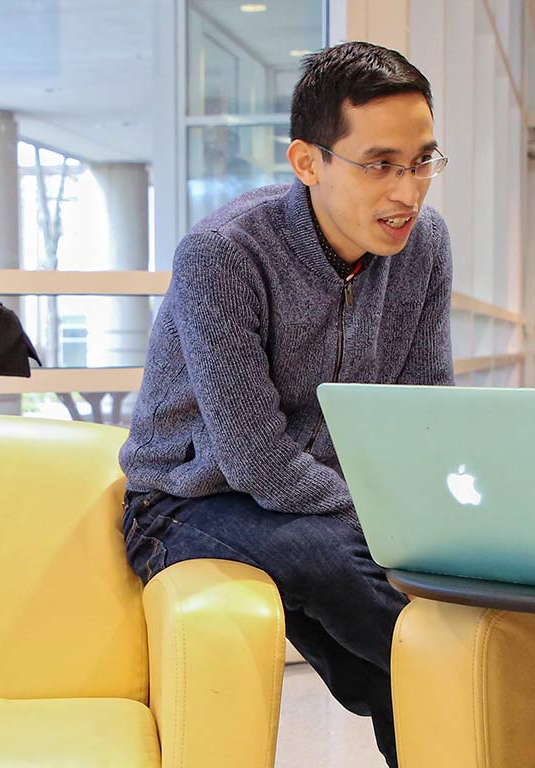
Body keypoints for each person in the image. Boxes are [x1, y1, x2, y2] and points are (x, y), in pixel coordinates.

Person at [116, 41, 453, 766]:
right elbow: (256, 458)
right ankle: (487, 679)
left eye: (422, 160)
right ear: (308, 162)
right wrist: (385, 526)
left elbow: (427, 413)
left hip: (318, 504)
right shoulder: (225, 254)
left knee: (397, 664)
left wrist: (438, 518)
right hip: (186, 503)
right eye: (380, 164)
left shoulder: (424, 245)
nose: (408, 192)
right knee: (343, 565)